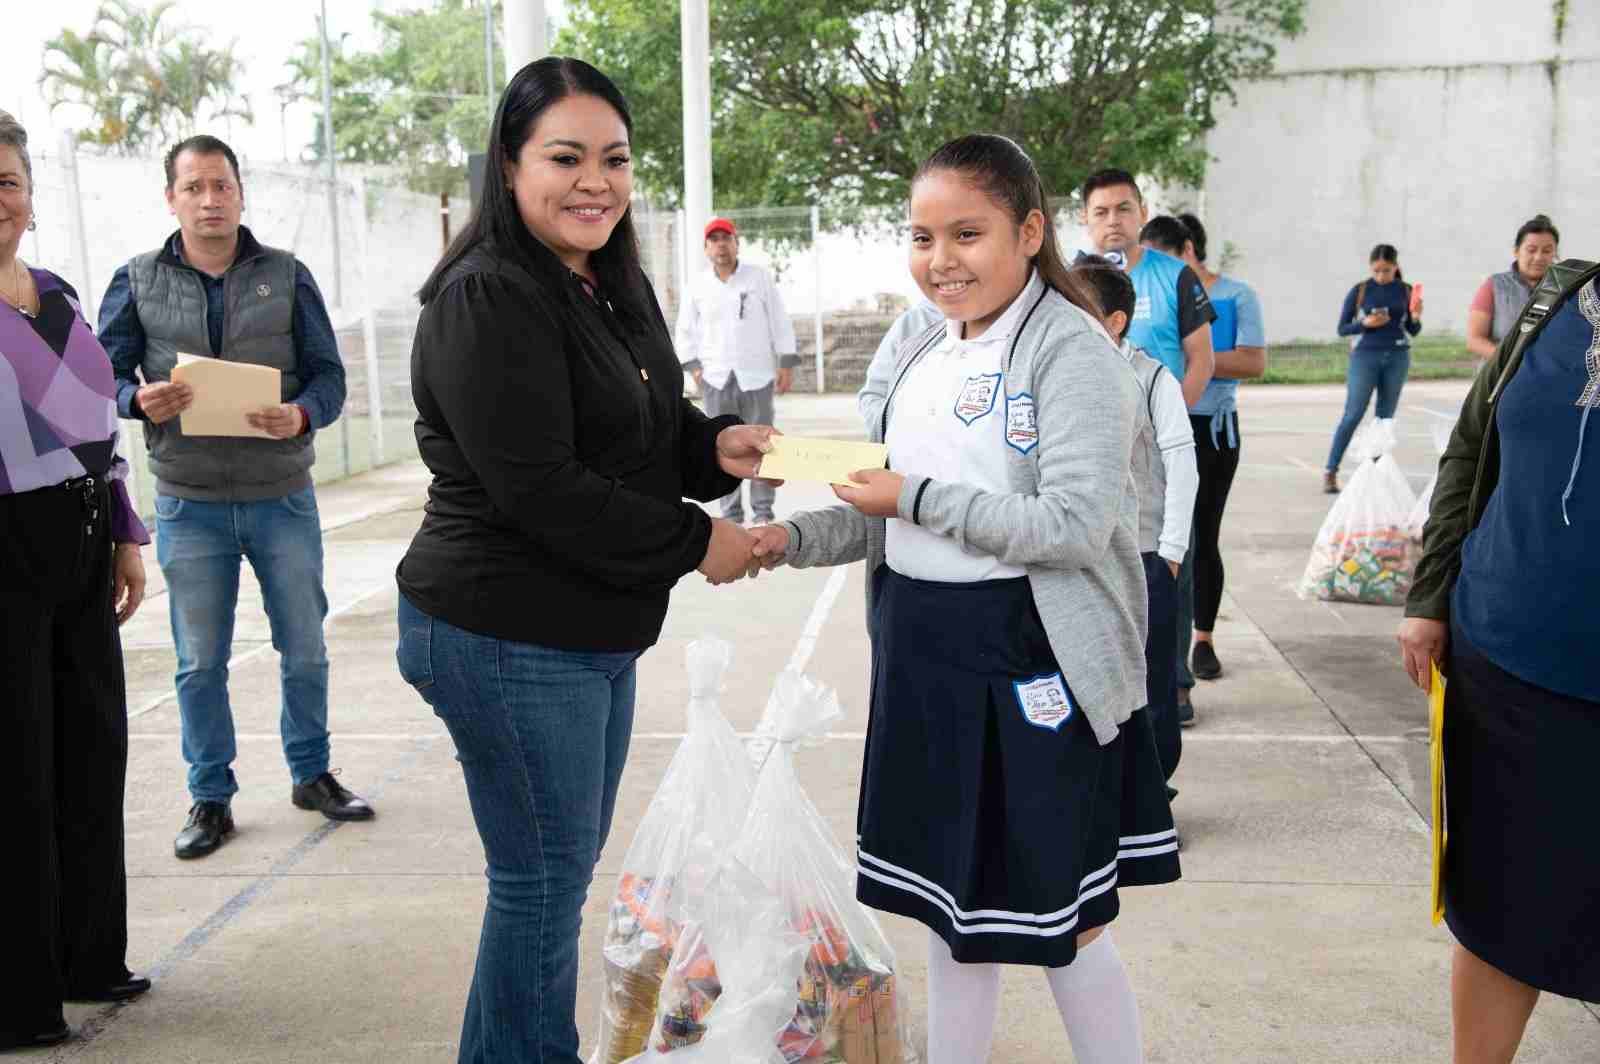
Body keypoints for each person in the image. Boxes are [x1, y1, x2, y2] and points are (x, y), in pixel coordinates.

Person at [751, 134, 1178, 1064]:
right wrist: (783, 539)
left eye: (966, 235)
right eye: (920, 237)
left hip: (1033, 659)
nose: (939, 262)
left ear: (1030, 232)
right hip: (923, 650)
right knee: (951, 911)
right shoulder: (915, 341)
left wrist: (911, 496)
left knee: (1069, 922)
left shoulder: (1073, 351)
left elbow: (1071, 523)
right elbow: (884, 502)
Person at [393, 57, 775, 1063]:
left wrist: (714, 446)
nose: (594, 181)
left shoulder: (611, 278)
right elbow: (542, 485)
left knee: (549, 878)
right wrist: (700, 539)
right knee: (540, 886)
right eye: (564, 157)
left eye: (613, 158)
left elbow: (645, 425)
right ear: (511, 166)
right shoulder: (487, 298)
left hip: (589, 628)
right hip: (503, 630)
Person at [100, 134, 372, 860]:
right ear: (172, 199)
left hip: (280, 496)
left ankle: (311, 774)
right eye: (194, 188)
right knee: (199, 661)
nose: (210, 200)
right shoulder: (135, 279)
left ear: (241, 194)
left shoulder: (286, 276)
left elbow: (329, 378)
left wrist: (303, 412)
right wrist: (137, 398)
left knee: (305, 647)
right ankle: (210, 796)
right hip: (188, 501)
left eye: (221, 185)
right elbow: (99, 378)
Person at [1399, 256, 1599, 1064]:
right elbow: (1472, 444)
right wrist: (1429, 596)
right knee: (1497, 910)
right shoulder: (1557, 300)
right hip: (1503, 666)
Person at [0, 109, 152, 1051]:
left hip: (83, 536)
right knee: (15, 772)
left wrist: (126, 532)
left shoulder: (53, 293)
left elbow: (97, 426)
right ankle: (18, 995)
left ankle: (89, 955)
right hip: (2, 545)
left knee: (92, 751)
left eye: (5, 181)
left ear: (27, 195)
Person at [1072, 256, 1198, 797]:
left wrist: (1170, 552)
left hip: (1145, 556)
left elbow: (1182, 461)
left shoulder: (1151, 378)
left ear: (1116, 321)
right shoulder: (1068, 374)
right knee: (1094, 677)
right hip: (1083, 555)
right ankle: (1105, 793)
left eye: (1081, 310)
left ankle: (1153, 794)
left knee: (1150, 682)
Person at [1143, 214, 1267, 696]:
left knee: (1200, 535)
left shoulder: (1235, 295)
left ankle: (1203, 639)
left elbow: (1253, 360)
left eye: (1166, 259)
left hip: (1211, 429)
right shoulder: (1150, 292)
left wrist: (1195, 353)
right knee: (1170, 537)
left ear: (1189, 250)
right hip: (1157, 426)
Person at [676, 216, 799, 524]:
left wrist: (785, 361)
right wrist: (693, 367)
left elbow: (779, 320)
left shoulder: (758, 278)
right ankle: (731, 515)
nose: (721, 245)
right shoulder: (697, 285)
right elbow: (685, 329)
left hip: (756, 375)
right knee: (721, 444)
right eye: (714, 240)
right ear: (706, 248)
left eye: (726, 238)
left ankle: (763, 513)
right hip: (716, 377)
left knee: (764, 444)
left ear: (736, 243)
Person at [1078, 168, 1215, 408]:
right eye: (1101, 212)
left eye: (1123, 209)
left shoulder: (1177, 275)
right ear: (1084, 217)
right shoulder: (1067, 281)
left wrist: (1171, 421)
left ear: (1143, 212)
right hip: (1092, 427)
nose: (1113, 221)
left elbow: (1202, 360)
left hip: (1158, 433)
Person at [1324, 243, 1423, 493]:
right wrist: (1365, 323)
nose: (1381, 276)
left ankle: (1376, 471)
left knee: (1385, 417)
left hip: (1397, 355)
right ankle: (1331, 470)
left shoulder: (1406, 290)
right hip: (1365, 356)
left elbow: (1413, 331)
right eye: (1377, 270)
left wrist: (1417, 316)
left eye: (1387, 271)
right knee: (1354, 412)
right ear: (1371, 267)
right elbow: (1342, 328)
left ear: (1396, 267)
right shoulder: (1360, 290)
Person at [1465, 214, 1559, 360]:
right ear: (1516, 251)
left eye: (1547, 251)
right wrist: (1511, 362)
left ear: (1555, 254)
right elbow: (1475, 340)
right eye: (1531, 250)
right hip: (1502, 377)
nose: (1539, 257)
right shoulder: (1495, 286)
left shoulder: (1566, 290)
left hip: (1551, 376)